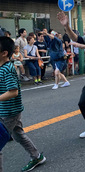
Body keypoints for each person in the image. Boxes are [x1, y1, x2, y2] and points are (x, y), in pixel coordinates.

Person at [0, 36, 46, 172]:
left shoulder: (7, 69)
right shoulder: (2, 67)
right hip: (6, 110)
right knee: (18, 134)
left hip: (9, 112)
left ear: (4, 53)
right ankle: (36, 156)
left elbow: (13, 91)